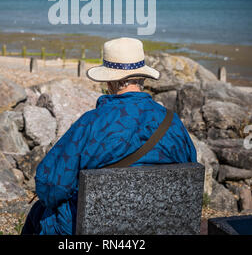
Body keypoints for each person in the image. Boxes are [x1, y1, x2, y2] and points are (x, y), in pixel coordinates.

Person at [21, 37, 197, 235]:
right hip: (161, 227)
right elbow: (189, 175)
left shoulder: (91, 123)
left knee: (39, 213)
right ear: (143, 78)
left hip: (95, 230)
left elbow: (51, 187)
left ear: (109, 81)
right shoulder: (172, 122)